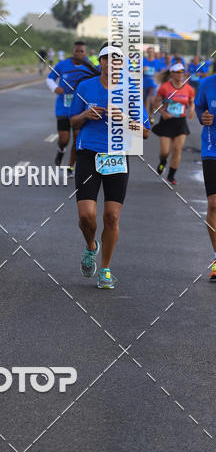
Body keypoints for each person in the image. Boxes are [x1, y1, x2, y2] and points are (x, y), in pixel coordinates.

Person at [69, 43, 151, 289]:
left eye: (116, 59)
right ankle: (91, 245)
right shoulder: (85, 87)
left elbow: (145, 132)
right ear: (101, 61)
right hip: (88, 154)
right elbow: (72, 121)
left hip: (117, 156)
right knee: (86, 216)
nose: (111, 63)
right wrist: (85, 115)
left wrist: (124, 119)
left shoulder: (131, 91)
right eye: (106, 58)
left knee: (112, 216)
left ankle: (105, 269)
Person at [46, 40, 98, 171]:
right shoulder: (63, 64)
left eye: (82, 51)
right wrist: (55, 88)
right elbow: (50, 78)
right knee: (64, 139)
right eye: (76, 51)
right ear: (73, 51)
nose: (79, 53)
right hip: (63, 107)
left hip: (80, 109)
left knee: (77, 138)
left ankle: (70, 166)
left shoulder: (91, 66)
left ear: (85, 53)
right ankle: (61, 150)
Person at [151, 63, 195, 185]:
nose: (180, 74)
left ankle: (171, 176)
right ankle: (163, 161)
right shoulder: (165, 87)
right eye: (178, 72)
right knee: (165, 151)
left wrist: (191, 109)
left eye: (182, 72)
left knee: (177, 150)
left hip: (180, 122)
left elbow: (191, 102)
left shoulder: (188, 88)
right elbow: (156, 102)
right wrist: (163, 112)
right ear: (172, 74)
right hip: (166, 122)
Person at [193, 74, 216, 280]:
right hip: (212, 149)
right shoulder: (207, 83)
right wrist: (203, 117)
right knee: (213, 204)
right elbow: (199, 106)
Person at [142, 46, 159, 120]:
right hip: (144, 84)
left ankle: (151, 115)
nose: (151, 53)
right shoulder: (143, 61)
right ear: (147, 53)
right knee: (144, 101)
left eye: (152, 52)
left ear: (154, 53)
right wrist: (142, 69)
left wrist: (157, 74)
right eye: (149, 52)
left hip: (153, 84)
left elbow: (160, 72)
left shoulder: (157, 62)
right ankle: (146, 116)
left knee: (152, 101)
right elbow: (136, 70)